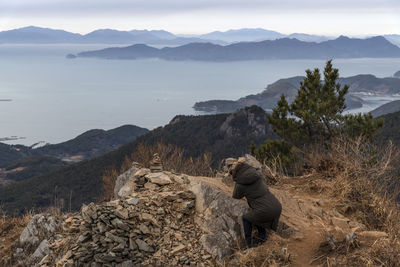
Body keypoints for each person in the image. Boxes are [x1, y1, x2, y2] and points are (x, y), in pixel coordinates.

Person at [231, 160, 282, 248]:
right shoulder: (258, 175)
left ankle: (249, 244)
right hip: (277, 206)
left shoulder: (240, 184)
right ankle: (262, 238)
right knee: (257, 215)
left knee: (246, 218)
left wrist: (237, 180)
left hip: (266, 210)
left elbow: (236, 196)